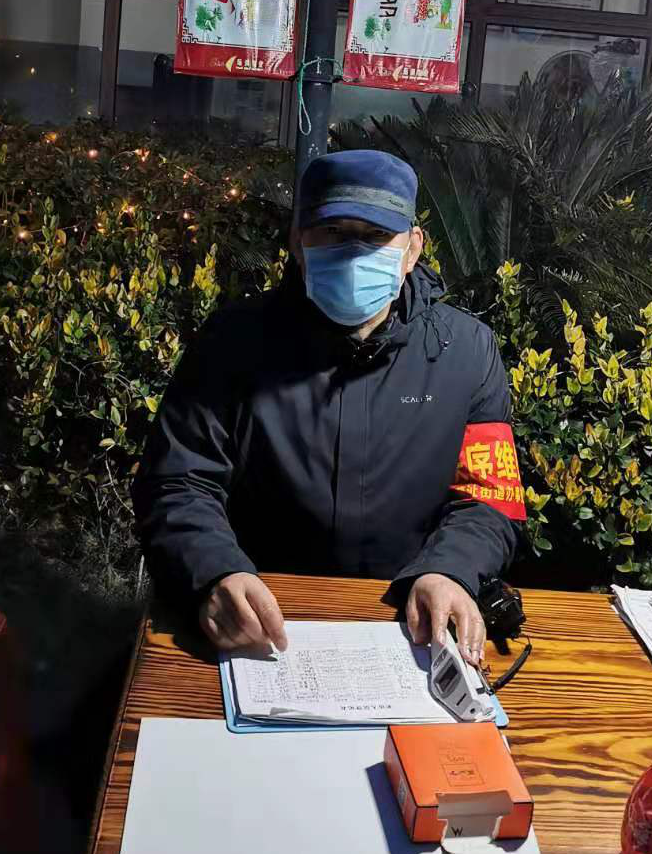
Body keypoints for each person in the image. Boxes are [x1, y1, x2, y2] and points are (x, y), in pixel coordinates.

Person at [133, 150, 525, 665]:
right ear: (298, 242)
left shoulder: (466, 353)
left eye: (376, 236)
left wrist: (451, 570)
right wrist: (214, 571)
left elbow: (489, 496)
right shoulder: (232, 344)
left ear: (412, 249)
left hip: (408, 624)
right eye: (334, 232)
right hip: (261, 620)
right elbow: (177, 481)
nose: (354, 253)